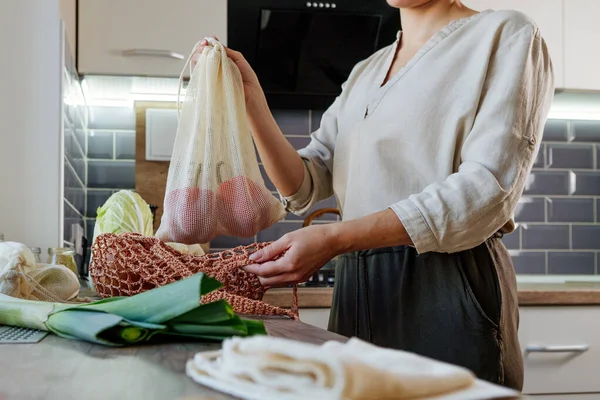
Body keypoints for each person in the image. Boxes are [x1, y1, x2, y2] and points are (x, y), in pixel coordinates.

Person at [194, 0, 554, 390]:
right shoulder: (366, 71)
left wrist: (337, 238)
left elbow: (486, 191)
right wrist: (251, 101)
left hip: (448, 283)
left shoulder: (506, 34)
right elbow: (305, 184)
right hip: (355, 283)